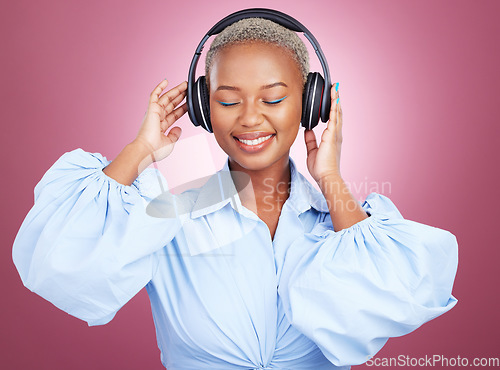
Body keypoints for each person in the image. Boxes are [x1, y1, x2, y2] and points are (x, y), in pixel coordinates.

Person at [12, 11, 458, 370]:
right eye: (227, 101)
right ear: (205, 110)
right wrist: (141, 149)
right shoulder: (168, 217)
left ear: (311, 102)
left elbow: (405, 300)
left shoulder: (344, 224)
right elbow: (58, 267)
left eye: (273, 98)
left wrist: (331, 181)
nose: (249, 118)